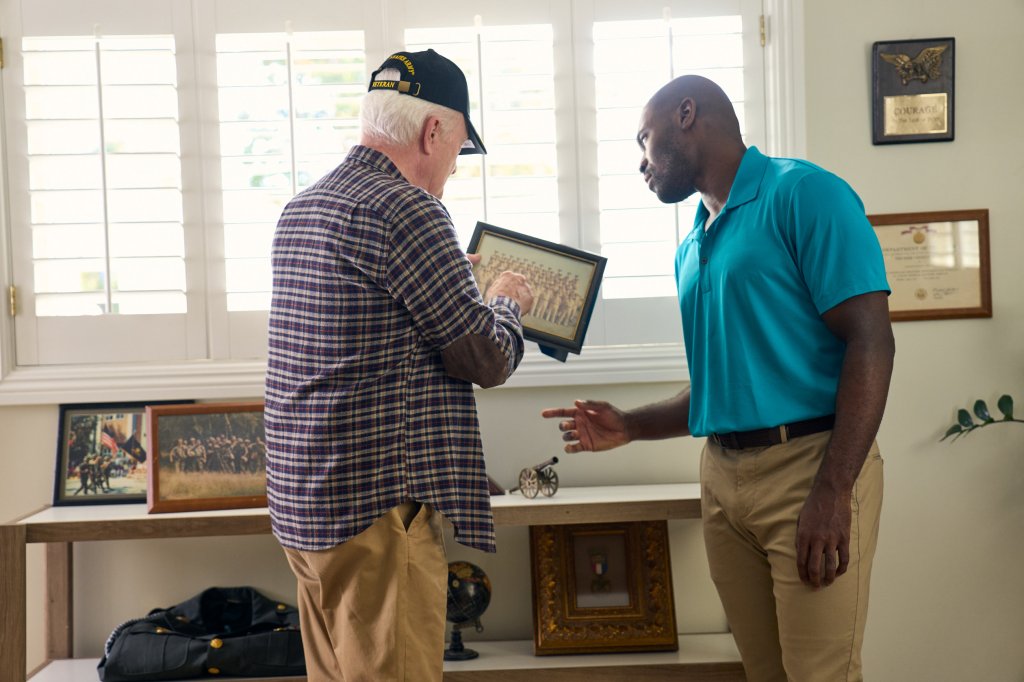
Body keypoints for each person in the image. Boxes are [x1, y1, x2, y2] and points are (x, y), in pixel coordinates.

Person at [542, 75, 895, 682]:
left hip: (811, 469)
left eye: (644, 140)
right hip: (723, 479)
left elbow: (872, 341)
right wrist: (629, 425)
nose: (641, 164)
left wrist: (834, 490)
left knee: (820, 674)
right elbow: (722, 387)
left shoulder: (806, 194)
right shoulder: (693, 246)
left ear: (686, 114)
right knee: (763, 673)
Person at [264, 49, 533, 682]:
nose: (452, 172)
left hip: (307, 513)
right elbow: (486, 359)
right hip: (375, 520)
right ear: (432, 131)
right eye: (460, 150)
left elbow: (368, 335)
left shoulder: (305, 206)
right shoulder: (408, 209)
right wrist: (506, 304)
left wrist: (451, 284)